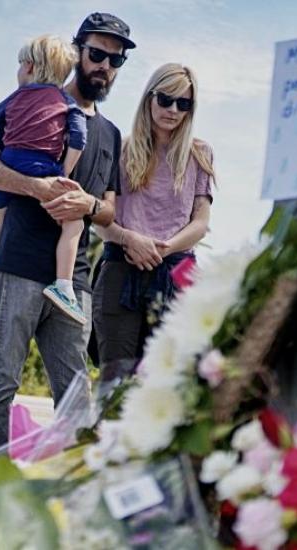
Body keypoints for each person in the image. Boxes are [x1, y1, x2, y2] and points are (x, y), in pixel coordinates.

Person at [0, 12, 136, 455]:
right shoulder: (32, 101)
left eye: (115, 60)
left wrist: (88, 206)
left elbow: (110, 210)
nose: (105, 66)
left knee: (76, 401)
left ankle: (69, 486)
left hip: (73, 283)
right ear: (77, 53)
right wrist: (36, 187)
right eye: (97, 54)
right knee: (1, 385)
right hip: (19, 264)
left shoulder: (112, 135)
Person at [93, 63, 215, 366]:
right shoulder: (120, 149)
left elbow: (201, 223)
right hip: (121, 268)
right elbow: (101, 219)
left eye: (183, 103)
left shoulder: (200, 154)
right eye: (165, 99)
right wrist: (130, 240)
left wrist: (163, 248)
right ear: (150, 97)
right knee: (115, 379)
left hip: (177, 271)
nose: (173, 110)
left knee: (168, 378)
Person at [0, 34, 88, 324]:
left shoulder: (14, 97)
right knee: (74, 222)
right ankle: (64, 287)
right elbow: (79, 137)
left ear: (28, 66)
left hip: (9, 160)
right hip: (43, 166)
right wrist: (63, 171)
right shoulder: (65, 102)